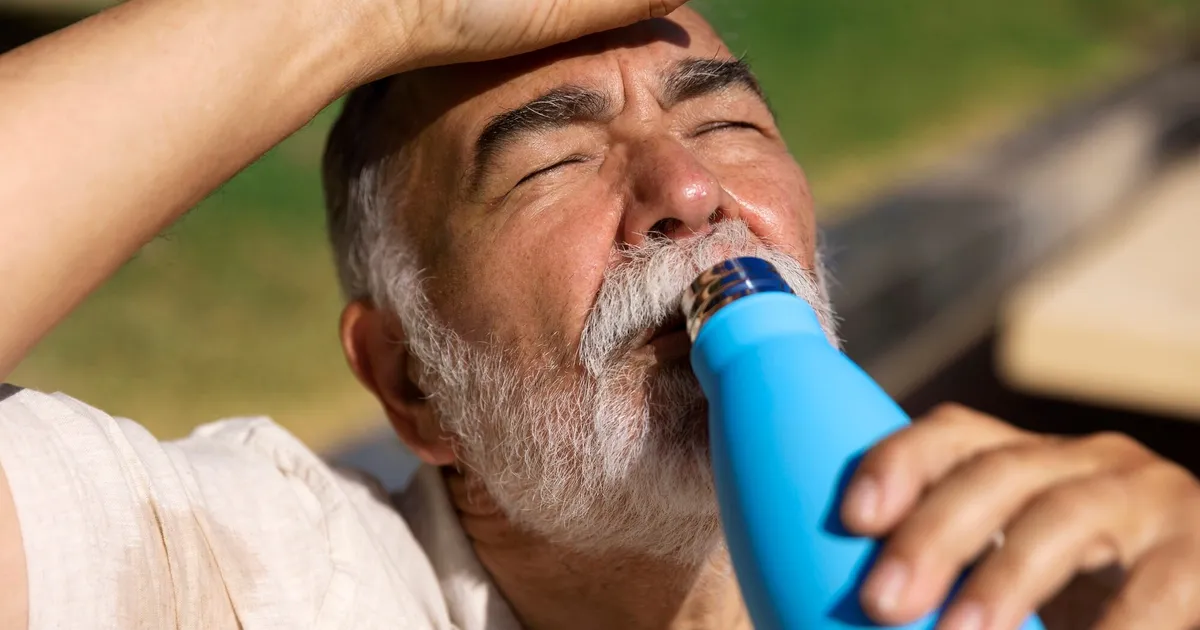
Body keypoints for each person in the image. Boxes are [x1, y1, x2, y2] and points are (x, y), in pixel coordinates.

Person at [2, 0, 1200, 628]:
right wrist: (360, 7)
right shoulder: (261, 579)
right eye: (549, 166)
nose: (686, 193)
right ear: (411, 381)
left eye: (726, 125)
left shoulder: (1044, 581)